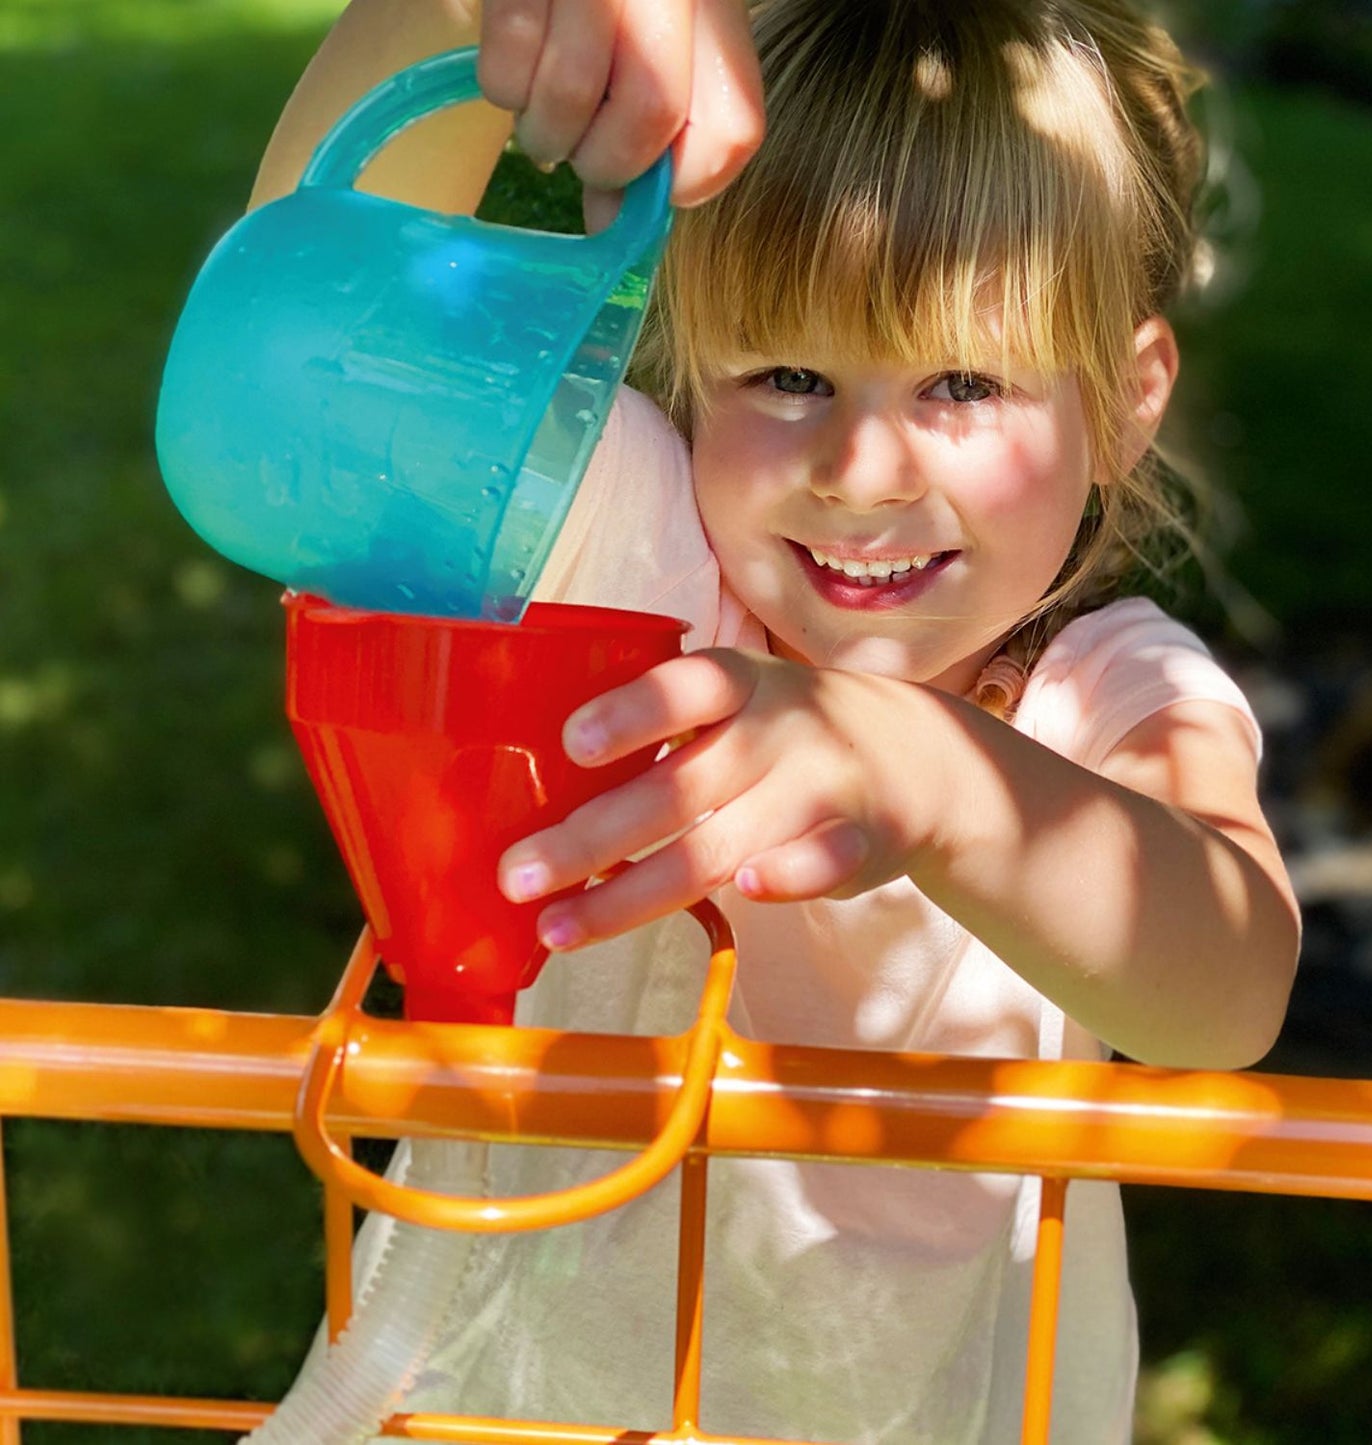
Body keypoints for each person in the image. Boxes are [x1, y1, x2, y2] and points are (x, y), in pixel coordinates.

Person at [253, 1, 1301, 1440]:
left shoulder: (1104, 694)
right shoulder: (638, 572)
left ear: (1124, 400)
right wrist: (472, 15)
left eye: (965, 382)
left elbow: (1226, 989)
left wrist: (934, 774)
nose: (861, 469)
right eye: (787, 376)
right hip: (503, 1409)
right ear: (690, 353)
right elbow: (324, 372)